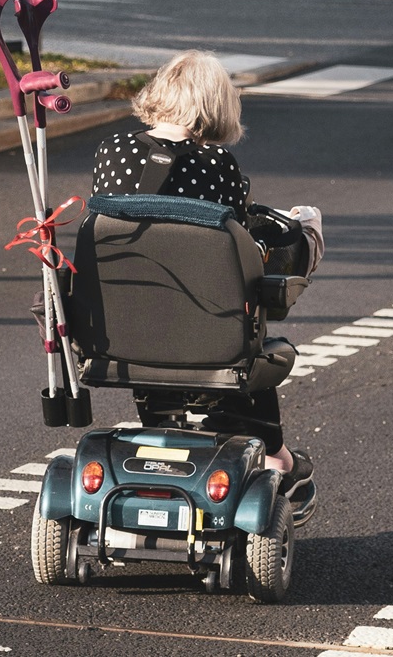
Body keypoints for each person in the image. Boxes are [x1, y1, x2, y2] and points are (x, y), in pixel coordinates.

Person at [90, 50, 323, 475]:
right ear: (216, 106)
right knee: (258, 339)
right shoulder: (216, 164)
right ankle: (277, 456)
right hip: (206, 328)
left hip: (123, 326)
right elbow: (238, 241)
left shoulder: (112, 150)